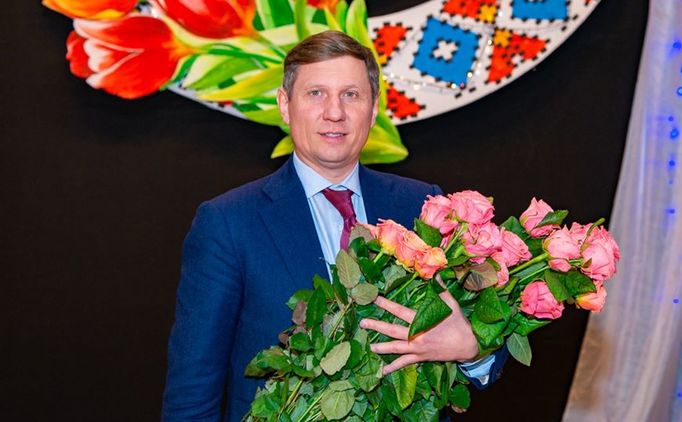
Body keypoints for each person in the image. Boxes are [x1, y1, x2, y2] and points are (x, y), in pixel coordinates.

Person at [162, 31, 506, 422]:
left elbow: (483, 352)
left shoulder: (422, 206)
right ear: (285, 105)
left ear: (373, 109)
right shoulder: (228, 222)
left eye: (351, 95)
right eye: (316, 94)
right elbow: (191, 396)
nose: (334, 112)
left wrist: (473, 351)